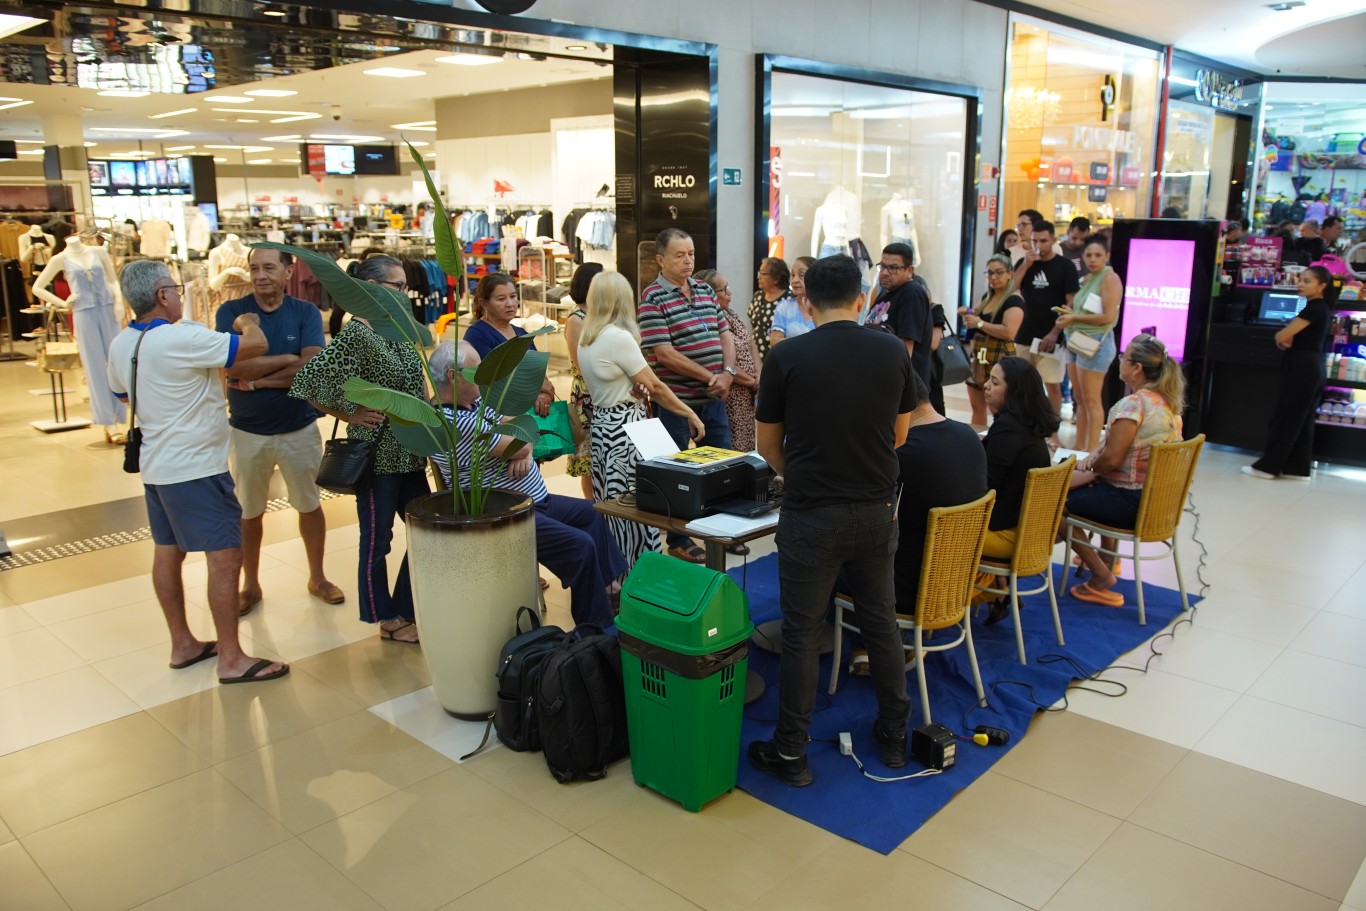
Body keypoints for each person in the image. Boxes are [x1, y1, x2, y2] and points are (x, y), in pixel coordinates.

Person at [749, 254, 915, 785]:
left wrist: (804, 470)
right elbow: (901, 434)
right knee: (881, 624)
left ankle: (791, 753)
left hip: (811, 512)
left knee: (800, 633)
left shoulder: (788, 355)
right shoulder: (891, 350)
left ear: (805, 301)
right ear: (861, 298)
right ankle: (894, 737)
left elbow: (766, 444)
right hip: (875, 510)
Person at [106, 260, 288, 685]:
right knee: (225, 556)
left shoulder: (121, 344)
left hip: (156, 467)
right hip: (196, 469)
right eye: (175, 287)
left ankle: (183, 642)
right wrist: (245, 319)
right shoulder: (182, 336)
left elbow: (121, 395)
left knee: (168, 552)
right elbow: (254, 346)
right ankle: (231, 658)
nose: (180, 294)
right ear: (162, 295)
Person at [430, 342, 627, 628]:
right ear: (452, 376)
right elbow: (523, 439)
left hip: (535, 501)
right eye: (478, 370)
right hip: (507, 514)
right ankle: (596, 628)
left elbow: (524, 425)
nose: (486, 377)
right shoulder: (451, 421)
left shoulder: (474, 403)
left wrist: (520, 446)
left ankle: (610, 590)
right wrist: (521, 448)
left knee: (594, 513)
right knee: (580, 546)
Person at [290, 255, 429, 644]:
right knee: (377, 538)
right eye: (396, 286)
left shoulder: (397, 330)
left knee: (426, 531)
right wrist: (350, 412)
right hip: (378, 456)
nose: (405, 293)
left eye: (405, 286)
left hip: (410, 453)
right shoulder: (357, 334)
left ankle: (407, 605)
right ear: (371, 287)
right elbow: (308, 381)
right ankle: (384, 616)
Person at [215, 247, 342, 615]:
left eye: (269, 267)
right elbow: (231, 370)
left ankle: (317, 576)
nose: (260, 275)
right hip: (247, 431)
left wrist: (256, 380)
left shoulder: (304, 312)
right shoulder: (231, 313)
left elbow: (311, 368)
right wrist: (287, 362)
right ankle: (250, 583)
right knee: (248, 511)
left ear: (289, 271)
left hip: (298, 427)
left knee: (309, 504)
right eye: (255, 268)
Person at [846, 372, 987, 675]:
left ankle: (875, 642)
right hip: (955, 581)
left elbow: (854, 503)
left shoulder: (906, 452)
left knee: (829, 557)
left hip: (907, 589)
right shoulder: (969, 437)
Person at [578, 271, 705, 566]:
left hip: (604, 428)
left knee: (613, 507)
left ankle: (618, 575)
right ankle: (641, 575)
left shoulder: (588, 336)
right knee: (637, 509)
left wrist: (636, 390)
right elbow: (657, 386)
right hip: (626, 433)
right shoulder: (617, 337)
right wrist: (689, 412)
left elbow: (619, 385)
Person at [638, 228, 737, 564]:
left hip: (715, 397)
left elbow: (726, 335)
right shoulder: (653, 298)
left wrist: (728, 373)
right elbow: (664, 353)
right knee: (679, 473)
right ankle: (680, 538)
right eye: (679, 255)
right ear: (660, 259)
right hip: (677, 403)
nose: (688, 260)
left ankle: (720, 531)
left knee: (723, 465)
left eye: (691, 253)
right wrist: (711, 375)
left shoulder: (705, 290)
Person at [1065, 334, 1184, 607]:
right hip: (1158, 504)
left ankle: (1100, 575)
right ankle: (1108, 558)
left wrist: (1084, 470)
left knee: (1053, 503)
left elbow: (1111, 462)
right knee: (1097, 486)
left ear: (1137, 368)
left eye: (1123, 357)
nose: (1119, 362)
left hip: (1131, 504)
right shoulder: (1168, 405)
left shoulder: (1133, 404)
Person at [980, 357, 1058, 624]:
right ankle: (996, 591)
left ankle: (932, 607)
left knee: (925, 528)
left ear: (1015, 391)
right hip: (1028, 532)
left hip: (1005, 533)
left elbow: (984, 488)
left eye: (994, 381)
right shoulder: (1027, 427)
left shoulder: (1008, 429)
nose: (985, 386)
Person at [1243, 265, 1334, 481]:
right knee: (1302, 419)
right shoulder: (1320, 308)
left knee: (1287, 417)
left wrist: (1281, 338)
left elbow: (1283, 335)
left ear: (1322, 285)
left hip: (1302, 367)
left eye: (1307, 281)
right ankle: (1297, 468)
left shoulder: (1313, 308)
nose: (1301, 285)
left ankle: (1268, 467)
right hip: (1312, 366)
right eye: (1300, 280)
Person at [1056, 234, 1121, 453]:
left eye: (1098, 255)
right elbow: (1081, 309)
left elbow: (1108, 316)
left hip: (1095, 341)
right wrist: (1069, 314)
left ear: (1107, 256)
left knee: (1092, 399)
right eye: (1089, 255)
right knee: (1080, 397)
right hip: (1076, 339)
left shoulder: (1109, 278)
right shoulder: (1087, 278)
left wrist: (1074, 318)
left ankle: (1091, 450)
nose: (1092, 259)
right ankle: (1080, 445)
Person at [1012, 218, 1079, 426]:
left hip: (1052, 336)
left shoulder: (1065, 266)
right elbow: (1010, 289)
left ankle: (1053, 430)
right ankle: (1023, 425)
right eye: (1035, 241)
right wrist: (1026, 265)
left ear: (1053, 240)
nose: (1038, 246)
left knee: (1052, 385)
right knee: (1022, 384)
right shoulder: (1025, 263)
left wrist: (1054, 333)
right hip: (1025, 334)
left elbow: (1070, 304)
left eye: (1043, 241)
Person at [463, 273, 554, 417]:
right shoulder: (477, 335)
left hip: (530, 414)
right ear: (484, 303)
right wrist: (535, 389)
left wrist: (545, 395)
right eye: (501, 299)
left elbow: (541, 376)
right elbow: (498, 380)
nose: (510, 303)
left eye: (513, 296)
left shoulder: (522, 333)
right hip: (498, 417)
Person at [695, 268, 760, 455]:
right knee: (731, 449)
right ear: (709, 293)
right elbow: (722, 360)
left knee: (747, 445)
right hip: (730, 394)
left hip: (747, 395)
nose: (729, 292)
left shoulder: (730, 313)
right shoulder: (708, 319)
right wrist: (751, 381)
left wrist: (760, 373)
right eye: (724, 289)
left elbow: (750, 343)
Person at [961, 254, 1025, 426]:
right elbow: (975, 319)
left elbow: (1009, 332)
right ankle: (979, 442)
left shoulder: (1014, 300)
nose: (993, 277)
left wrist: (979, 323)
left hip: (1000, 356)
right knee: (977, 405)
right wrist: (968, 315)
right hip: (980, 355)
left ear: (1009, 273)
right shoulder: (987, 297)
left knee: (999, 407)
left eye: (998, 273)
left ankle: (998, 441)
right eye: (989, 273)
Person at [865, 241, 934, 392]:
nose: (884, 272)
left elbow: (906, 348)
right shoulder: (886, 291)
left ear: (909, 270)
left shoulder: (911, 293)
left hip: (902, 387)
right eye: (883, 266)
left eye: (893, 268)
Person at [563, 262, 604, 499]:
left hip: (604, 393)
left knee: (604, 457)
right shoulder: (576, 318)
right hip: (587, 395)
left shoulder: (600, 314)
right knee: (589, 462)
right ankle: (592, 510)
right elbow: (580, 363)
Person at [749, 256, 793, 360]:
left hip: (779, 358)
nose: (758, 277)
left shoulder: (790, 299)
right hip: (756, 359)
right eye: (759, 273)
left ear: (776, 278)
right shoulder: (757, 297)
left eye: (763, 274)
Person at [769, 255, 817, 349]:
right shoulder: (784, 307)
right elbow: (775, 342)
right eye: (792, 275)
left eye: (801, 275)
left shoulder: (825, 307)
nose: (794, 280)